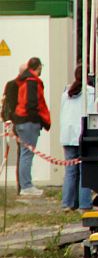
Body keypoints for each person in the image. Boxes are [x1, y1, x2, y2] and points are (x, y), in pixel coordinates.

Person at [13, 57, 50, 196]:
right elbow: (33, 103)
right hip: (29, 122)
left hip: (21, 121)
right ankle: (27, 186)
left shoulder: (22, 81)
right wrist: (38, 119)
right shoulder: (32, 82)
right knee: (27, 154)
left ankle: (25, 185)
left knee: (24, 154)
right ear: (38, 67)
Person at [60, 65, 92, 211]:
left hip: (67, 135)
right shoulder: (90, 92)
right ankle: (84, 204)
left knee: (70, 172)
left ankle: (67, 203)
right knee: (85, 171)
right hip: (82, 135)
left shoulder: (66, 93)